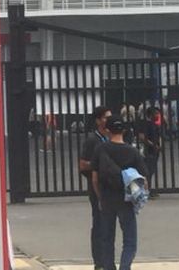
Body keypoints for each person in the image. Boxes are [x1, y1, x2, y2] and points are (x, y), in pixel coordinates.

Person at [92, 114, 149, 270]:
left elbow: (95, 179)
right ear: (123, 130)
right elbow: (143, 180)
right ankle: (125, 267)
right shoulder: (132, 151)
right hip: (126, 199)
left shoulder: (101, 149)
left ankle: (109, 267)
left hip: (107, 198)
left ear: (108, 130)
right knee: (129, 239)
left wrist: (100, 197)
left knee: (107, 238)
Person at [79, 106, 111, 270]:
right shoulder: (93, 140)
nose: (108, 120)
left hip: (111, 187)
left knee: (109, 224)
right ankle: (98, 261)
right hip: (96, 187)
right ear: (98, 120)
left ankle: (108, 259)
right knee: (99, 222)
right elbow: (82, 165)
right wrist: (99, 167)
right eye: (106, 117)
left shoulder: (113, 138)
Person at [138, 107, 162, 199]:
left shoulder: (154, 125)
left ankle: (148, 190)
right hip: (148, 151)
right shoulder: (145, 124)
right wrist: (153, 145)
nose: (157, 115)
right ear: (150, 115)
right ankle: (146, 191)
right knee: (147, 171)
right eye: (156, 113)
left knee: (151, 171)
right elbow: (142, 137)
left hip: (154, 151)